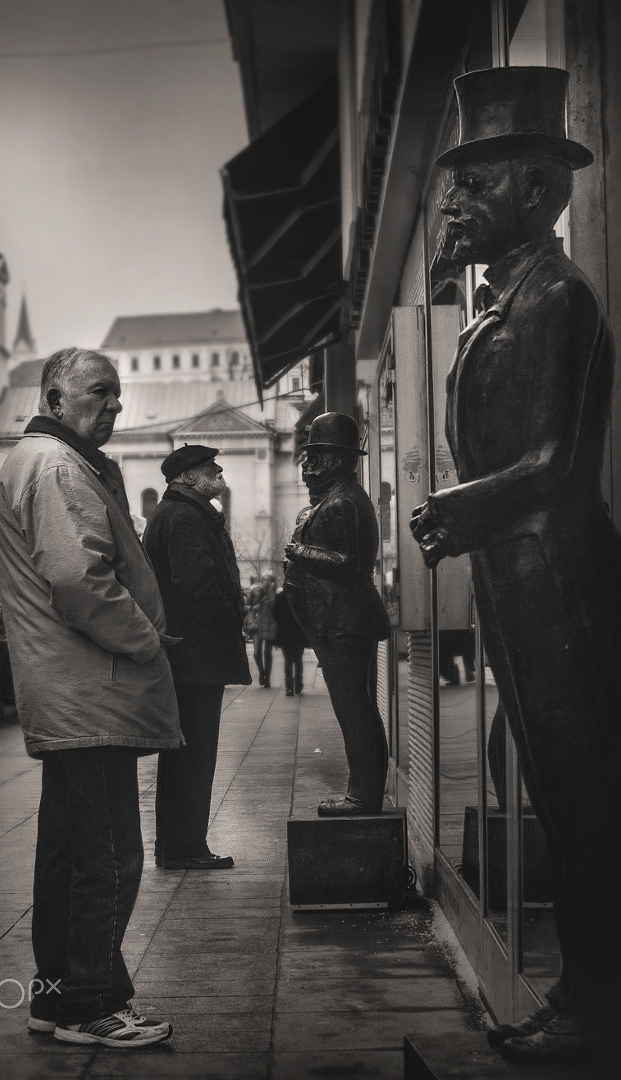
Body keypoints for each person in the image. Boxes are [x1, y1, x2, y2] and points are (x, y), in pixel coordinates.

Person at [409, 67, 621, 1063]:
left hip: (557, 578)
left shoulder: (553, 301)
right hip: (518, 574)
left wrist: (454, 507)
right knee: (556, 787)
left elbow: (549, 463)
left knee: (582, 800)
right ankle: (584, 989)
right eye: (455, 185)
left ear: (539, 192)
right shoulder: (502, 297)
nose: (455, 202)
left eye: (478, 186)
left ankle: (593, 1002)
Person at [0, 347, 181, 1050]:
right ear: (54, 395)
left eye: (117, 395)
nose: (114, 406)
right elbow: (80, 583)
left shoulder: (43, 463)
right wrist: (148, 639)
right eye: (99, 393)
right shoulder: (58, 468)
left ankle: (57, 999)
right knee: (106, 856)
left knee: (72, 855)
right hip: (88, 693)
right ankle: (87, 1006)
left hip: (72, 693)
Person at [143, 443, 251, 870]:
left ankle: (177, 846)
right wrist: (230, 621)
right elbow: (198, 587)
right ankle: (186, 847)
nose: (219, 472)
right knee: (194, 755)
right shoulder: (186, 517)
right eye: (210, 468)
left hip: (186, 655)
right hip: (196, 657)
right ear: (187, 477)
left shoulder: (175, 514)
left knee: (182, 753)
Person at [284, 412, 391, 816]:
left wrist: (300, 552)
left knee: (354, 711)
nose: (308, 467)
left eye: (319, 456)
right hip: (336, 622)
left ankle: (363, 797)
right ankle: (362, 793)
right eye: (309, 456)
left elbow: (350, 563)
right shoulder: (335, 498)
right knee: (356, 709)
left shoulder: (344, 501)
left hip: (345, 622)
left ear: (341, 460)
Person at [272, 584, 307, 696]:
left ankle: (289, 687)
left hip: (284, 634)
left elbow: (275, 617)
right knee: (298, 660)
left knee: (288, 660)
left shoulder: (280, 597)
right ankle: (298, 684)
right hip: (298, 633)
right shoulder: (300, 597)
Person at [248, 572, 277, 687]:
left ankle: (268, 679)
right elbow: (245, 607)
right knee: (256, 653)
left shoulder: (274, 594)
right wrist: (253, 608)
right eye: (264, 580)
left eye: (268, 580)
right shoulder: (254, 592)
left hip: (269, 625)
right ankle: (261, 673)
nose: (265, 582)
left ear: (271, 582)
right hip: (257, 626)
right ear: (261, 581)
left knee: (267, 653)